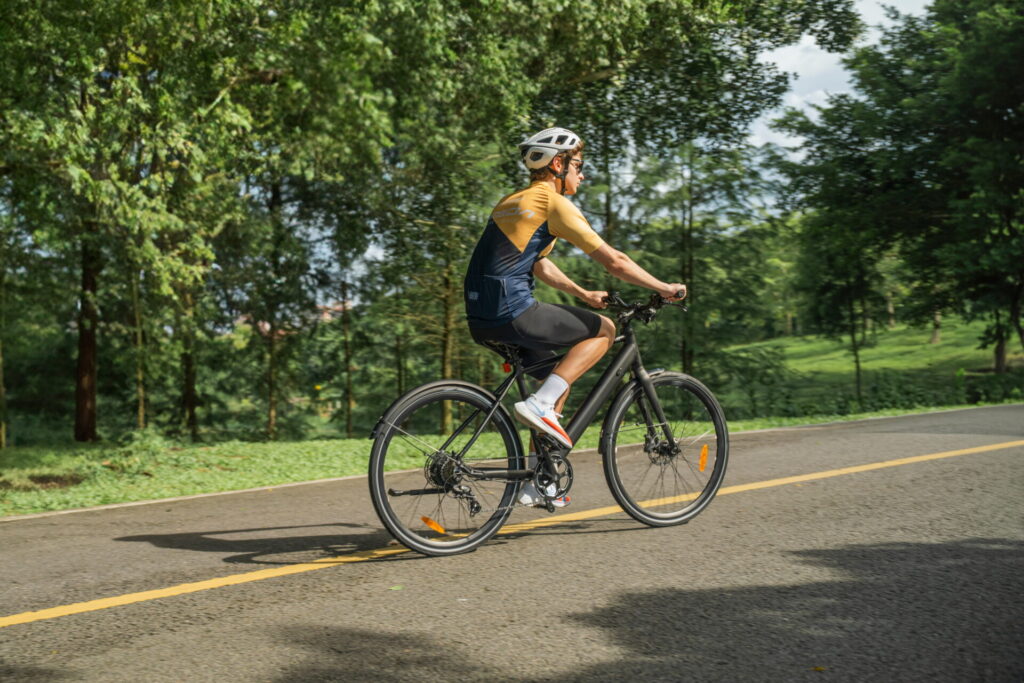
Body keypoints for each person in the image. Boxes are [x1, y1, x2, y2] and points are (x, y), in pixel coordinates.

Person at [463, 127, 687, 507]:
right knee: (604, 330)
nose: (581, 175)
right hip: (513, 309)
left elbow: (538, 263)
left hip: (480, 316)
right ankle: (540, 407)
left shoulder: (511, 202)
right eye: (578, 166)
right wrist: (664, 287)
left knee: (558, 379)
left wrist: (582, 294)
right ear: (558, 164)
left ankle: (540, 481)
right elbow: (615, 261)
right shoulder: (552, 202)